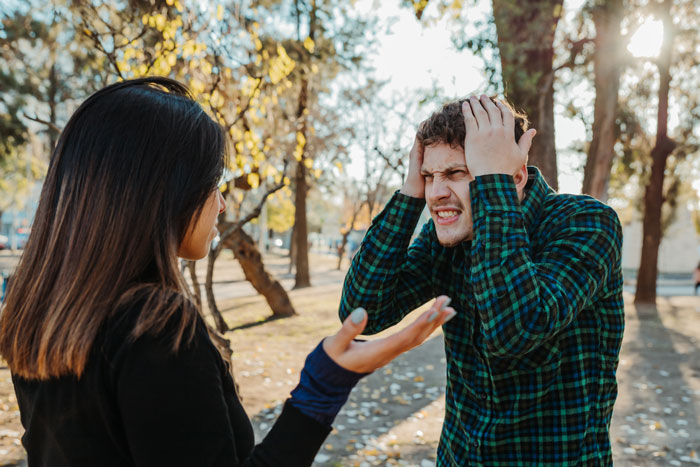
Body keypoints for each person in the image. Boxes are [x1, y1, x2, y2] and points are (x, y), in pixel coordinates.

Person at [0, 77, 457, 467]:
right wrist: (324, 384)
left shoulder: (38, 311)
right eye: (212, 183)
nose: (221, 201)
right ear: (162, 192)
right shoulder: (153, 327)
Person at [339, 95, 624, 465]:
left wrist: (493, 184)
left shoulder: (585, 223)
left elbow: (515, 330)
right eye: (430, 176)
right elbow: (362, 313)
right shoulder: (448, 237)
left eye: (457, 173)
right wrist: (411, 194)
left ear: (515, 175)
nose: (437, 193)